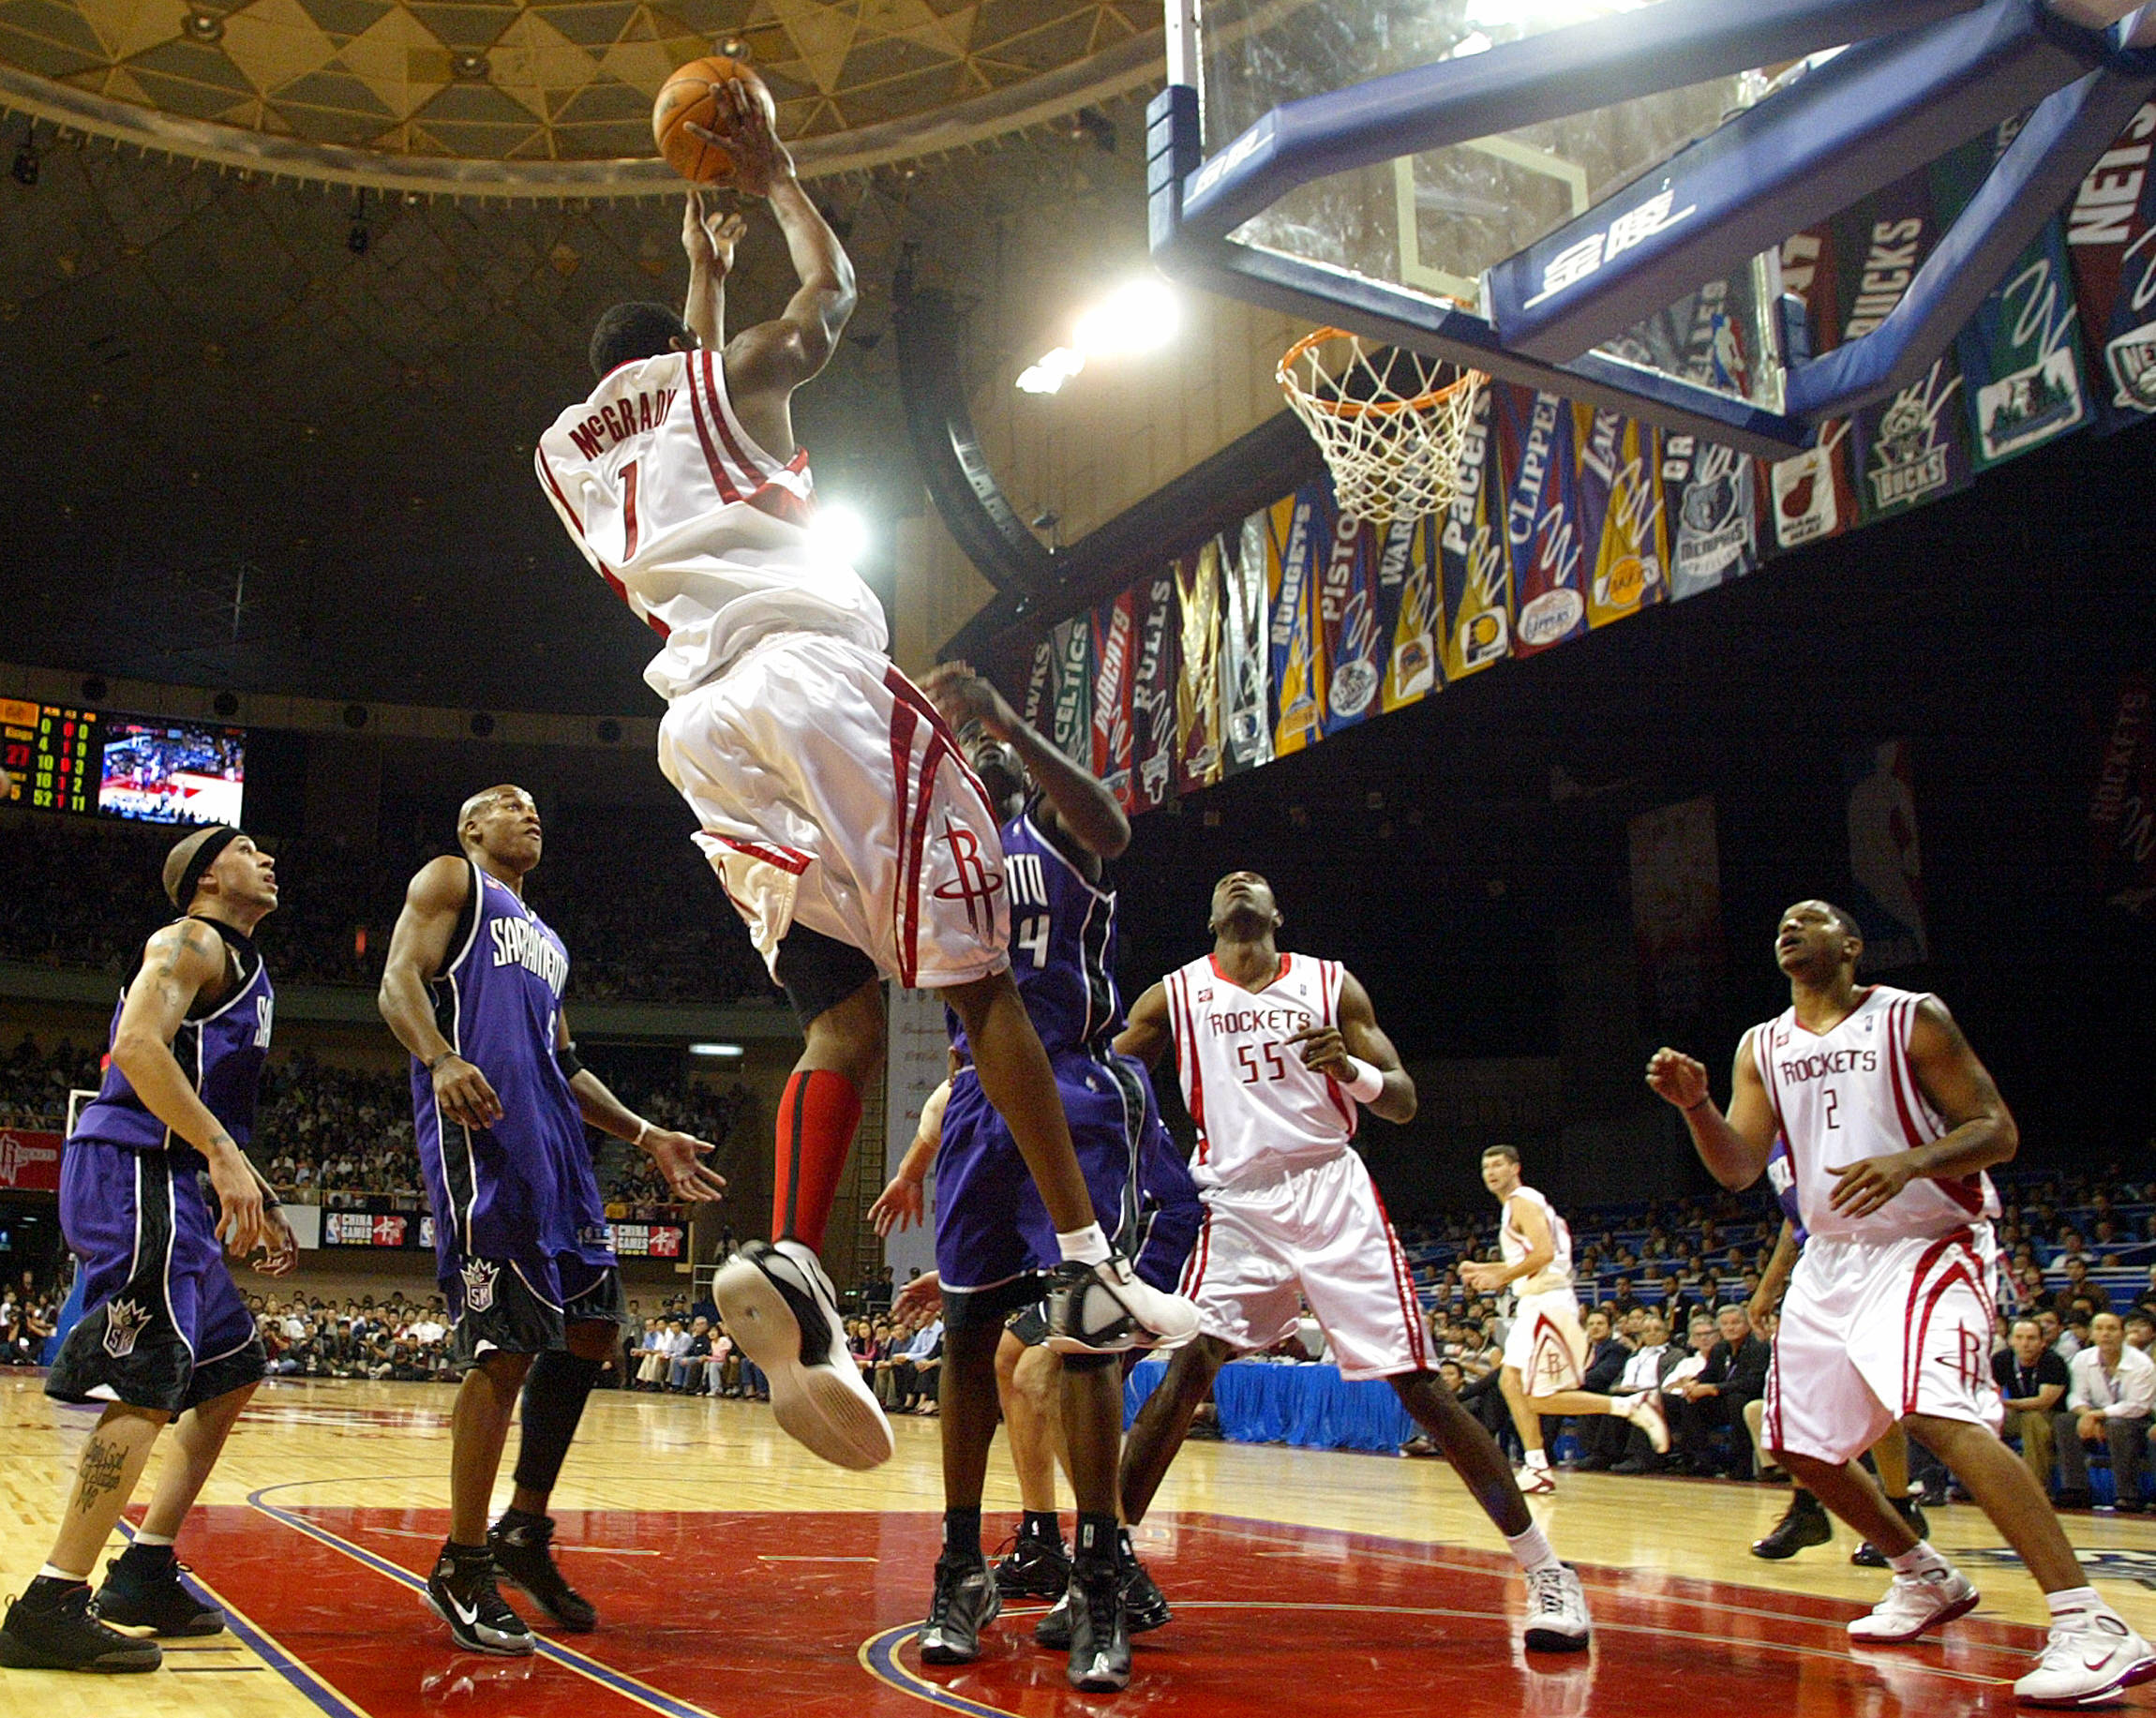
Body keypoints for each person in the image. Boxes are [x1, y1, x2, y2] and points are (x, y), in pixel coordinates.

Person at [534, 78, 1192, 1474]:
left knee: (837, 1009)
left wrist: (695, 284)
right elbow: (825, 304)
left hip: (698, 732)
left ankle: (791, 1259)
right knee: (979, 975)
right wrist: (774, 184)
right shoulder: (728, 383)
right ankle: (1089, 1258)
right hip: (812, 680)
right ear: (680, 353)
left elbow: (678, 394)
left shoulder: (574, 457)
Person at [1647, 898, 2153, 1704]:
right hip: (1830, 1257)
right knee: (1799, 1446)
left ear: (1851, 944)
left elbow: (1996, 1130)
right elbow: (1741, 1168)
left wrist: (1913, 1161)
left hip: (1927, 1242)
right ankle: (1924, 1573)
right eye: (1781, 919)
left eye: (1810, 918)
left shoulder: (1913, 1019)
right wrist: (1697, 1108)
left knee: (1935, 1411)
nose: (1789, 925)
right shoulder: (1760, 1046)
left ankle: (2092, 1621)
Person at [1115, 872, 1591, 1654]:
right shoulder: (1174, 995)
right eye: (1227, 882)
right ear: (1209, 917)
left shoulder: (1331, 985)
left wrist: (1351, 1072)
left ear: (1277, 912)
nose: (1240, 882)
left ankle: (1547, 1569)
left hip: (1330, 1189)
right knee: (1188, 1365)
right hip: (1236, 1198)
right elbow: (1102, 1077)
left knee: (1417, 1383)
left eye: (1256, 881)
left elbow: (1402, 1099)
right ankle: (1107, 1560)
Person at [865, 665, 1202, 1689]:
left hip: (1073, 1092)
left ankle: (1099, 1575)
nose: (994, 757)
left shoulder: (1052, 839)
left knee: (1084, 1339)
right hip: (976, 1103)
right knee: (968, 1339)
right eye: (980, 753)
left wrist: (1008, 716)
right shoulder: (934, 855)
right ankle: (962, 1564)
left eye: (1003, 753)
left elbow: (1109, 826)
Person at [379, 784, 726, 1653]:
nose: (529, 811)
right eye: (506, 804)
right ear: (471, 827)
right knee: (505, 1345)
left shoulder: (549, 941)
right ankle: (460, 1560)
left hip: (559, 1149)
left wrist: (647, 1135)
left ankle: (522, 1531)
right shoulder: (452, 880)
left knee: (594, 1332)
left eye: (536, 804)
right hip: (485, 1134)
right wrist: (441, 1055)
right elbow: (396, 983)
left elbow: (565, 1063)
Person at [0, 825, 295, 1673]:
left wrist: (251, 1186)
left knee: (233, 1365)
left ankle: (144, 1568)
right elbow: (136, 1048)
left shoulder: (242, 964)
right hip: (134, 1164)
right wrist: (222, 1156)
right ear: (207, 876)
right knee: (143, 1378)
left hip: (176, 1175)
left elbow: (207, 1090)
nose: (266, 858)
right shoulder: (189, 938)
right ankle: (50, 1600)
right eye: (248, 848)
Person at [1462, 1144, 1667, 1493]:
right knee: (1510, 1384)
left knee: (1539, 1397)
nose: (1491, 1172)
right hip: (1537, 1302)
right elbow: (1539, 1259)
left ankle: (1631, 1404)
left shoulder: (1522, 1201)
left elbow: (1543, 1255)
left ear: (1516, 1168)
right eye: (1485, 1167)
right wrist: (1488, 1268)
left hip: (1548, 1305)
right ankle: (1538, 1466)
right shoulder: (1522, 1205)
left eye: (1498, 1165)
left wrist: (1500, 1278)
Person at [2062, 1311, 2152, 1514]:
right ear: (2092, 1334)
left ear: (2122, 1333)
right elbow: (2076, 1396)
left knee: (2117, 1425)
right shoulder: (2081, 1358)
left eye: (2112, 1329)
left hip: (2135, 1420)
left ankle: (2128, 1495)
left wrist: (2098, 1415)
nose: (2106, 1334)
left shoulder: (2141, 1363)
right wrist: (2087, 1415)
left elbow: (2138, 1405)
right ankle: (2076, 1490)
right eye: (2100, 1329)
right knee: (2065, 1421)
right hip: (2097, 1416)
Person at [1995, 1317, 2072, 1501]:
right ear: (2010, 1340)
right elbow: (1990, 1393)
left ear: (2042, 1342)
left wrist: (2005, 1404)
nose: (2025, 1344)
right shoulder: (2001, 1359)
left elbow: (2043, 1402)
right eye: (2019, 1338)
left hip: (2052, 1416)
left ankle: (2033, 1488)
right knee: (1985, 1418)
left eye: (2031, 1338)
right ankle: (1981, 1484)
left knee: (2033, 1419)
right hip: (2017, 1414)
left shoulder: (2053, 1361)